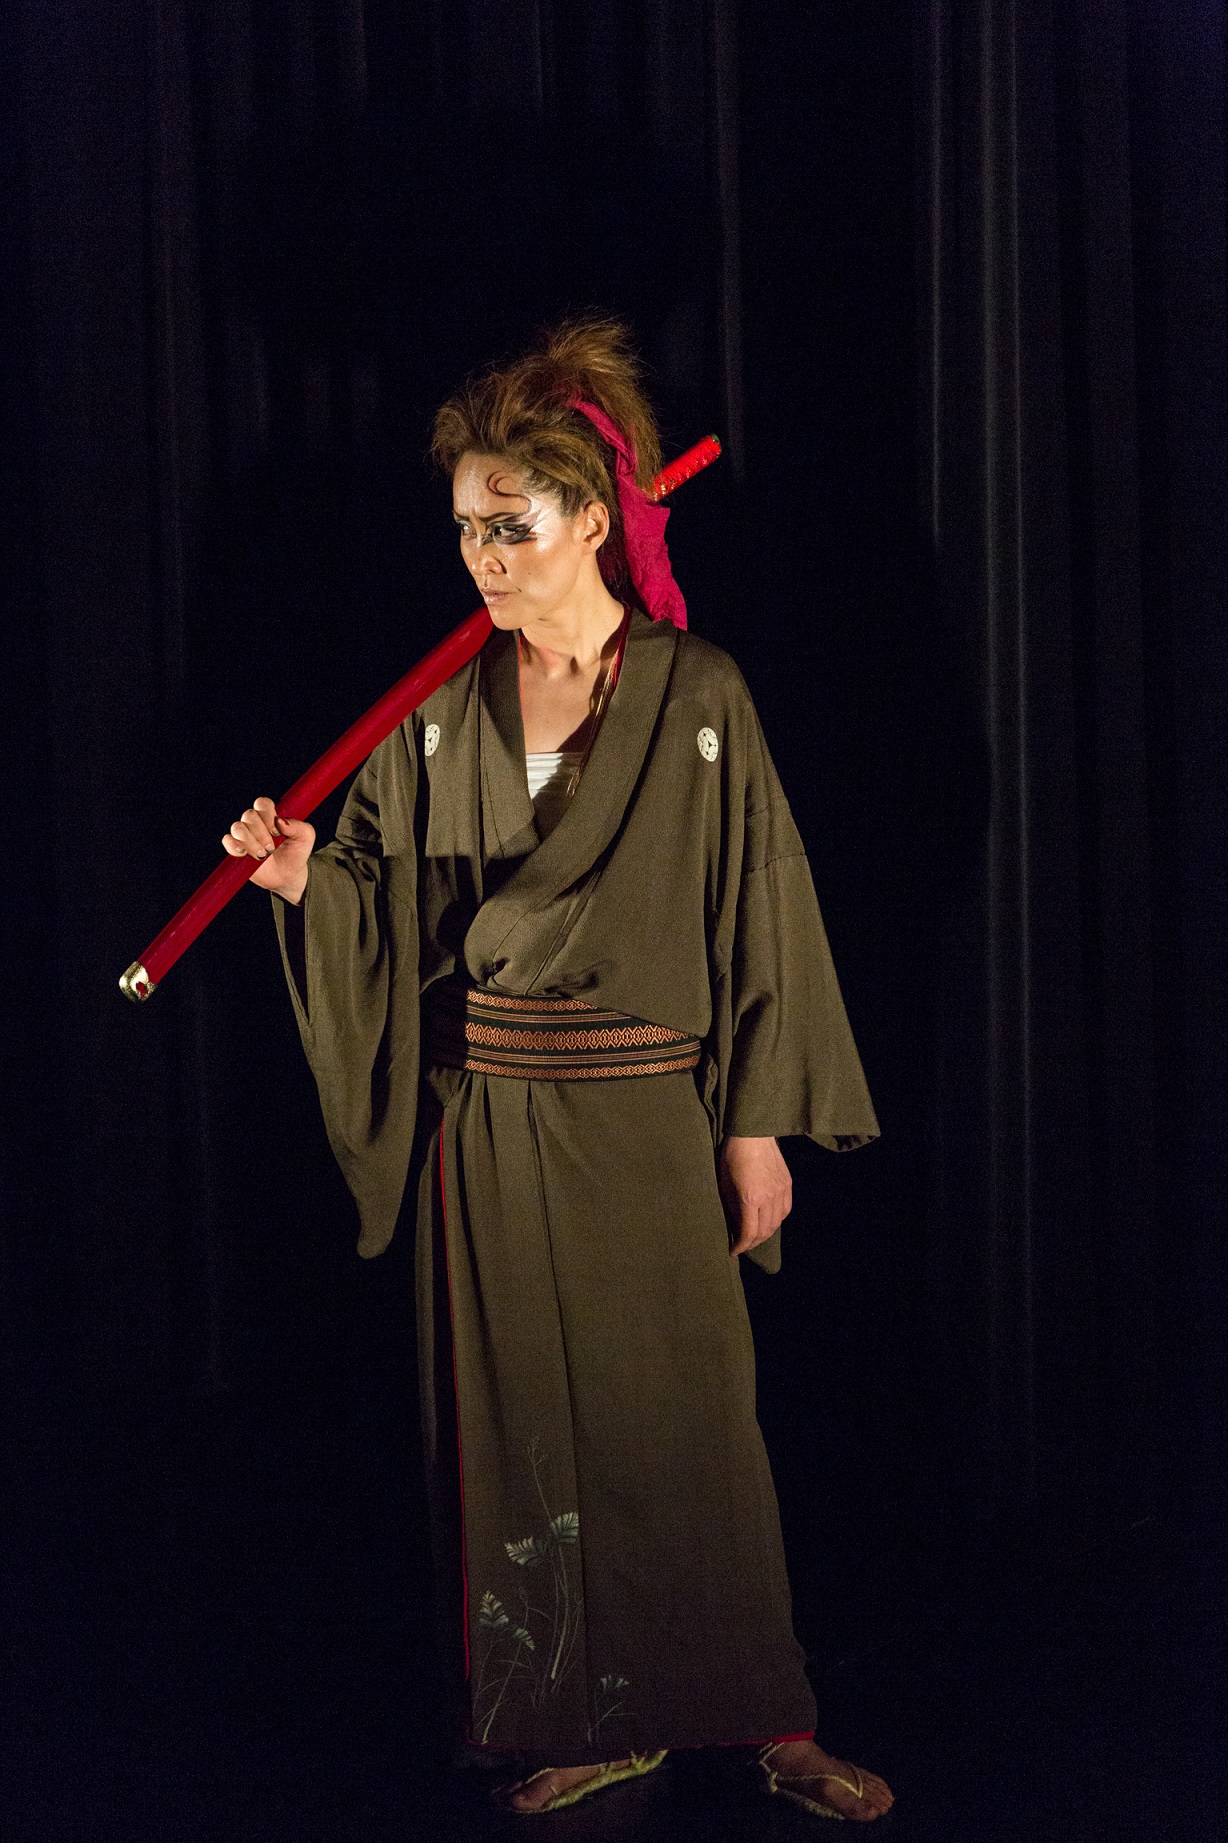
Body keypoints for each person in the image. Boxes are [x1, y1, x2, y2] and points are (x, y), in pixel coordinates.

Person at [222, 319, 894, 1822]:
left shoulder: (700, 697)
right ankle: (579, 1717)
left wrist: (755, 1130)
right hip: (493, 1123)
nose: (483, 558)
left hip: (650, 1112)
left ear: (593, 519)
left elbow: (757, 913)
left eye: (510, 526)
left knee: (694, 1420)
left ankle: (766, 1716)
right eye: (466, 528)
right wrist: (304, 878)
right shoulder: (434, 714)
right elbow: (381, 898)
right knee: (524, 1427)